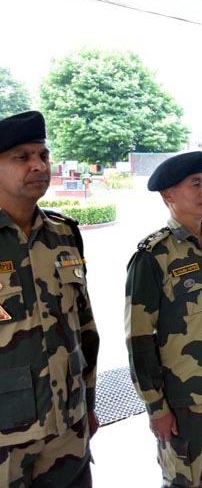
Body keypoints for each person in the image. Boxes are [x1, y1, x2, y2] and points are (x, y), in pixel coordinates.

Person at [125, 151, 202, 488]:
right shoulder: (153, 256)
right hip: (182, 399)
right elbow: (138, 338)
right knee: (182, 483)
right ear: (168, 195)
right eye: (195, 184)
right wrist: (155, 406)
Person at [0, 110, 100, 486]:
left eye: (42, 155)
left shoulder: (63, 234)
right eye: (21, 157)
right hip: (6, 440)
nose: (38, 165)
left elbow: (84, 329)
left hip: (68, 427)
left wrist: (88, 405)